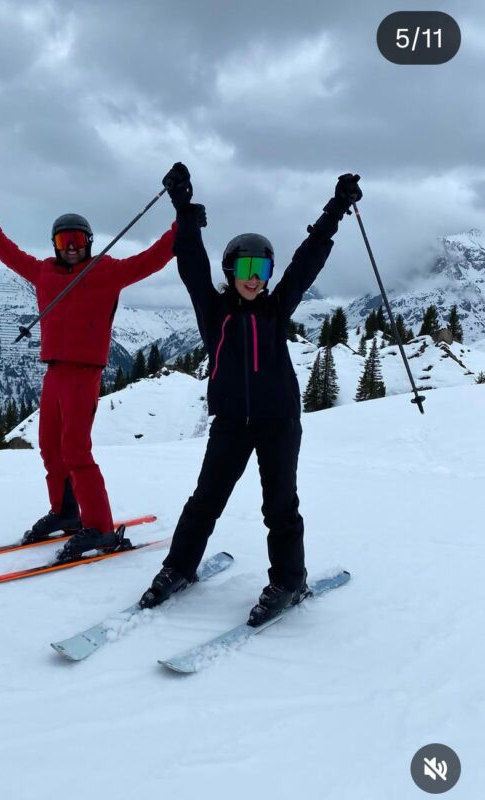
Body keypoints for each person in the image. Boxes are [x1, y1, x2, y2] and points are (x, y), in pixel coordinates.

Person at [140, 164, 362, 624]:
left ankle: (289, 580)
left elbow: (309, 257)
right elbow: (190, 261)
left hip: (279, 421)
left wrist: (337, 208)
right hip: (230, 424)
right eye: (246, 267)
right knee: (205, 500)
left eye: (261, 268)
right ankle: (178, 568)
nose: (255, 277)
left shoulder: (277, 308)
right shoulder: (213, 308)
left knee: (280, 505)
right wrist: (183, 207)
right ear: (231, 269)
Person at [0, 186, 178, 560]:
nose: (71, 245)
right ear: (55, 243)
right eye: (64, 239)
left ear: (89, 242)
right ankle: (66, 513)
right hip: (55, 372)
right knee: (50, 447)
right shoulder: (43, 271)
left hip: (84, 373)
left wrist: (183, 221)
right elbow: (9, 253)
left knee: (76, 449)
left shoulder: (107, 271)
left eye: (77, 239)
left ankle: (100, 528)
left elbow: (152, 259)